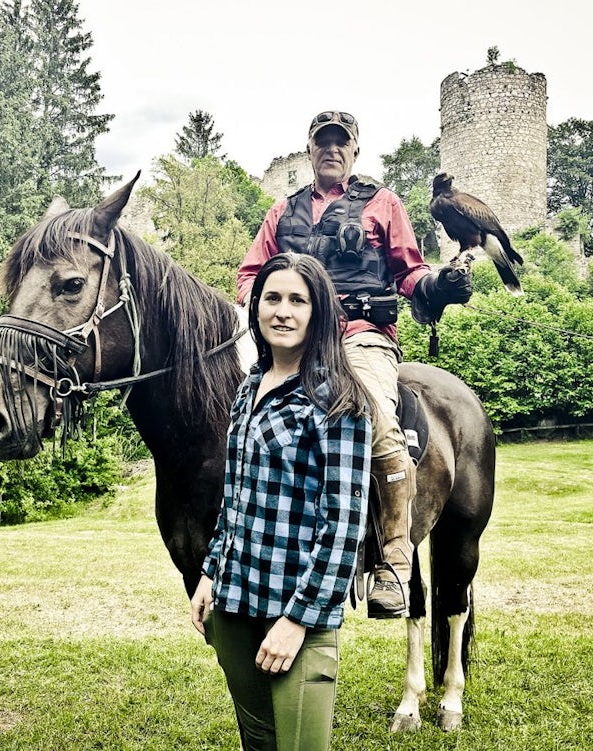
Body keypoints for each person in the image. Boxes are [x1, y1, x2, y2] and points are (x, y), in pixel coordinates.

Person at [237, 110, 473, 618]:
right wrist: (270, 309)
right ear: (310, 150)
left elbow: (410, 273)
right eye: (322, 143)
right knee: (239, 422)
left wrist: (438, 288)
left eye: (340, 143)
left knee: (380, 425)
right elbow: (251, 274)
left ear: (354, 151)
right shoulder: (283, 211)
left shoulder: (383, 203)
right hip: (294, 342)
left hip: (362, 340)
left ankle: (393, 562)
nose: (331, 150)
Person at [191, 252, 372, 751]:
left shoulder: (339, 400)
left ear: (318, 314)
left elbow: (343, 526)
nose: (282, 311)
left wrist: (297, 621)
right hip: (233, 606)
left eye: (298, 300)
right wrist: (210, 572)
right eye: (272, 298)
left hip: (298, 617)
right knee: (258, 744)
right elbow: (236, 495)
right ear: (256, 308)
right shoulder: (248, 389)